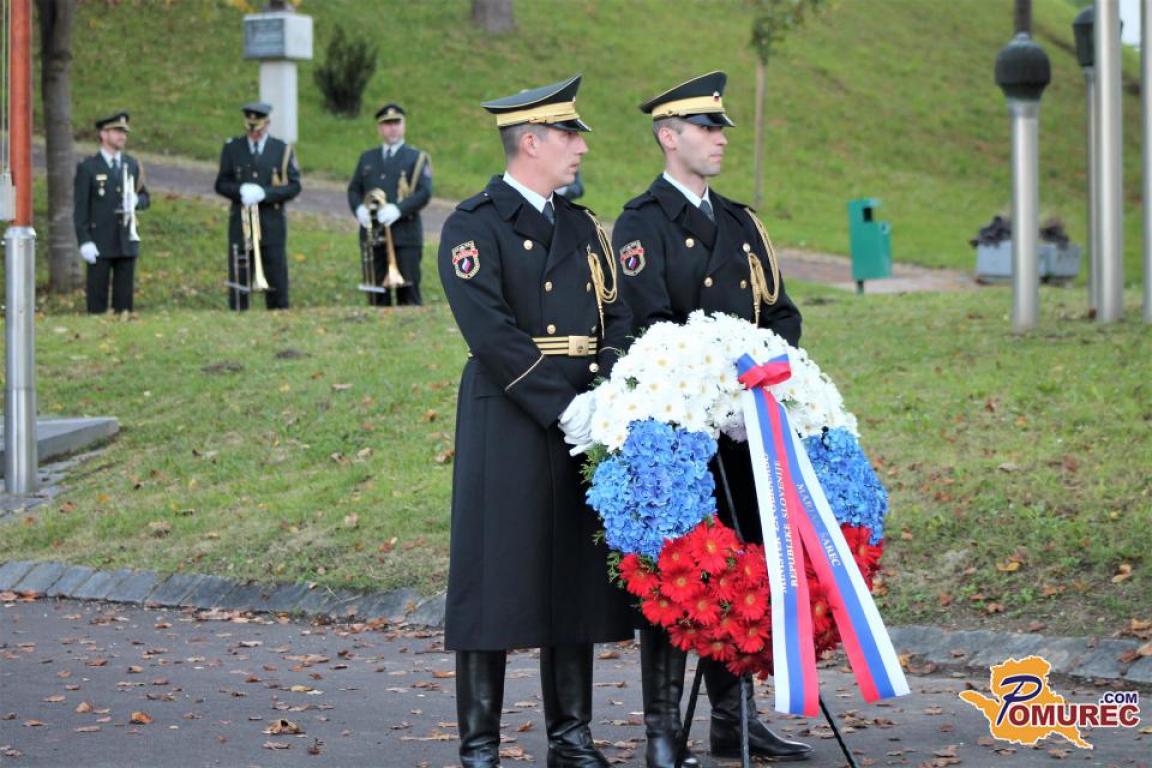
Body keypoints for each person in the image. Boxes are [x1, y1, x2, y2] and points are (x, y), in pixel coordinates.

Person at [613, 71, 810, 766]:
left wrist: (766, 371)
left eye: (721, 127)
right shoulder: (641, 223)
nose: (720, 138)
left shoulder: (741, 223)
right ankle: (664, 732)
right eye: (706, 128)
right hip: (683, 434)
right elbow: (648, 326)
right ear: (669, 137)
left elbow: (781, 313)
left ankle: (734, 720)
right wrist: (718, 383)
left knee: (744, 569)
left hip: (747, 428)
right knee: (678, 578)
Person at [437, 75, 634, 768]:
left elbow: (619, 317)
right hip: (511, 415)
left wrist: (604, 389)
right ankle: (480, 746)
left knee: (572, 573)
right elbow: (491, 332)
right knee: (493, 576)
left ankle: (571, 738)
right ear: (530, 142)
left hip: (584, 414)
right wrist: (564, 404)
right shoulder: (474, 224)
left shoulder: (585, 227)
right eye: (569, 135)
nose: (581, 147)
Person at [214, 101, 301, 311]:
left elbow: (294, 186)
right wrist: (240, 190)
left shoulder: (282, 149)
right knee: (239, 276)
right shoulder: (232, 148)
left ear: (267, 124)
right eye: (251, 129)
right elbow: (221, 183)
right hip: (241, 224)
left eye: (259, 129)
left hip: (271, 225)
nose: (254, 134)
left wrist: (265, 194)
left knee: (276, 277)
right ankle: (238, 315)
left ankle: (279, 316)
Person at [347, 103, 433, 306]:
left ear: (404, 125)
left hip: (405, 236)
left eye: (396, 123)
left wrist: (398, 209)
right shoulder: (367, 158)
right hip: (374, 236)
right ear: (379, 128)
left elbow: (424, 192)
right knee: (377, 296)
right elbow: (354, 190)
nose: (392, 128)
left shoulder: (416, 158)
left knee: (409, 297)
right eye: (387, 124)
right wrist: (359, 209)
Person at [73, 111, 150, 314]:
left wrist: (136, 201)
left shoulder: (131, 164)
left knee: (124, 306)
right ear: (103, 134)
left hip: (125, 241)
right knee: (96, 304)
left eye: (124, 132)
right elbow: (80, 209)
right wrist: (84, 240)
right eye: (117, 131)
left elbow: (145, 197)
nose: (122, 136)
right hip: (100, 242)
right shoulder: (88, 167)